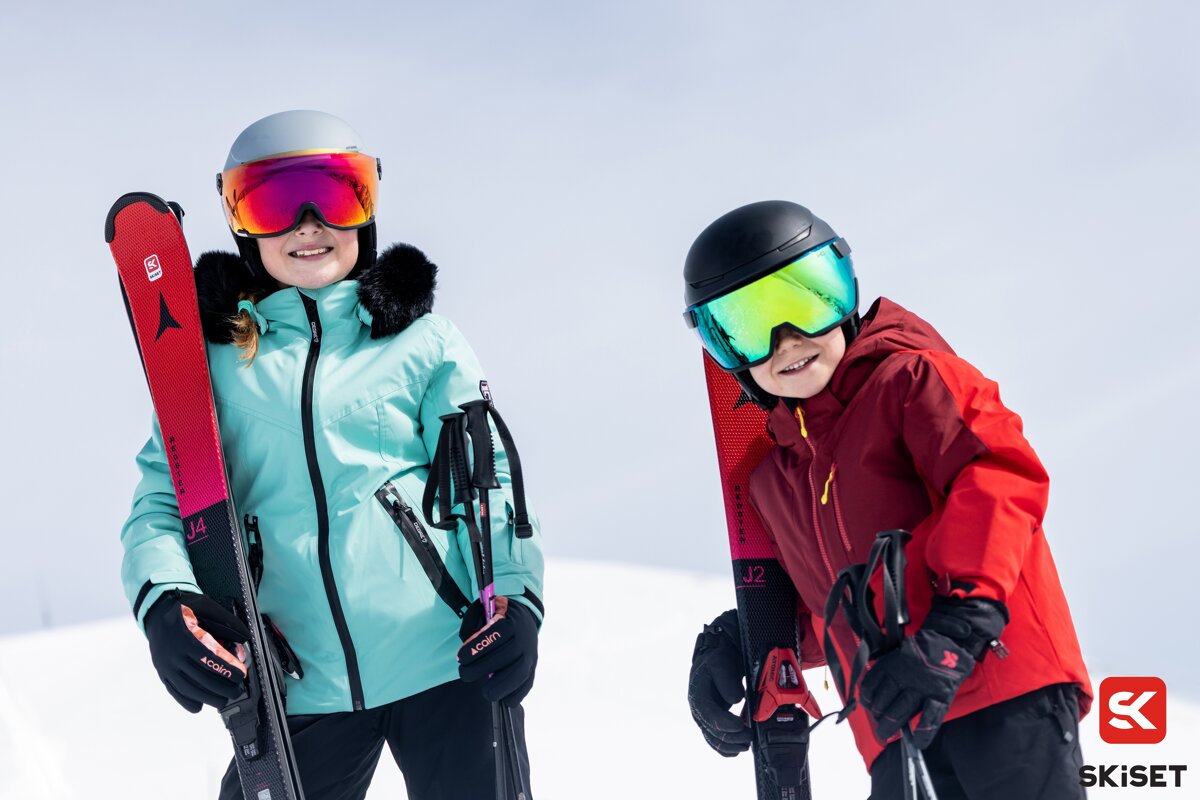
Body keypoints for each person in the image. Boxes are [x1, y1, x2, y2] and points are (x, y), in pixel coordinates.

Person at [120, 110, 544, 800]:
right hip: (297, 680)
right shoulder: (215, 367)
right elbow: (163, 501)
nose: (308, 225)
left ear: (367, 209)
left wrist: (518, 600)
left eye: (336, 195)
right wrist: (164, 600)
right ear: (241, 223)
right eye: (274, 204)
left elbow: (487, 480)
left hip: (443, 660)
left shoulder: (423, 343)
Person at [682, 200, 1091, 799]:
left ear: (844, 294)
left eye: (804, 300)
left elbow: (998, 476)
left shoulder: (912, 380)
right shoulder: (778, 480)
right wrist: (742, 641)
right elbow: (838, 611)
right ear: (726, 353)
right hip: (893, 726)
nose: (786, 340)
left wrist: (956, 631)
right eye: (747, 327)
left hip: (1000, 688)